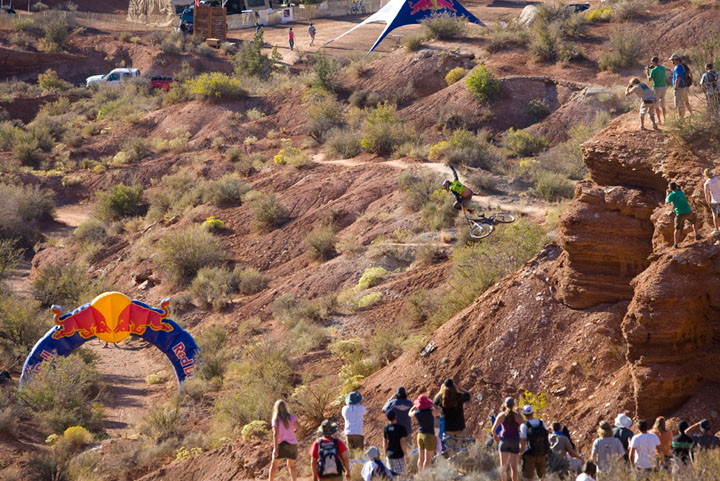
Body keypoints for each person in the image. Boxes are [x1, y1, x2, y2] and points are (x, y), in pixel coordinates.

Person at [433, 379, 471, 453]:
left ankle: (453, 460)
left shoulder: (441, 398)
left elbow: (434, 402)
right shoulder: (459, 396)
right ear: (453, 386)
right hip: (459, 427)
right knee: (460, 449)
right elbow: (468, 395)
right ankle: (461, 459)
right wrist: (458, 387)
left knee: (451, 450)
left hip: (447, 429)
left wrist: (440, 390)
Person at [492, 397, 524, 481]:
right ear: (513, 405)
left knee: (503, 467)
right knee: (514, 467)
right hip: (515, 440)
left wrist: (495, 438)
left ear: (505, 405)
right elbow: (524, 428)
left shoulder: (501, 415)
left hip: (504, 440)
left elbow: (493, 430)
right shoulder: (518, 416)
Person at [269, 400, 300, 481]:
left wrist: (275, 448)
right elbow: (299, 428)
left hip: (281, 444)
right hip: (292, 444)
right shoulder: (291, 417)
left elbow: (275, 434)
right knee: (291, 466)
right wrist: (292, 433)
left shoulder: (276, 419)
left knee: (274, 465)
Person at [666, 181, 702, 248]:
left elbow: (667, 202)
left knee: (677, 229)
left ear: (670, 188)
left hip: (679, 213)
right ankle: (697, 235)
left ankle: (675, 244)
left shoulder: (671, 195)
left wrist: (667, 194)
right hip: (688, 211)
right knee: (694, 222)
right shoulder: (681, 192)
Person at [519, 405, 550, 481]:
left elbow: (523, 440)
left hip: (529, 453)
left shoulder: (524, 425)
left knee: (529, 477)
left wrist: (520, 452)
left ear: (524, 414)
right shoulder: (541, 422)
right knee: (542, 476)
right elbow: (546, 435)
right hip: (542, 451)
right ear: (533, 412)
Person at [409, 394, 436, 472]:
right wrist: (432, 404)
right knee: (428, 460)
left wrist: (414, 406)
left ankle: (420, 475)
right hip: (429, 435)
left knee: (421, 458)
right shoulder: (432, 412)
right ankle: (425, 476)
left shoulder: (417, 413)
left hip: (420, 434)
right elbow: (440, 411)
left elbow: (409, 413)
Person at [382, 410, 407, 475]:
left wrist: (385, 454)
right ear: (396, 416)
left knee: (391, 474)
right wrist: (406, 455)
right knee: (401, 474)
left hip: (389, 455)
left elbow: (385, 443)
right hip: (399, 454)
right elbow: (402, 443)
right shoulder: (401, 428)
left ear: (387, 418)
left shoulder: (386, 428)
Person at [670, 53, 693, 118]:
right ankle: (687, 115)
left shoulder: (678, 68)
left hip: (680, 88)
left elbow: (678, 78)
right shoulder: (682, 66)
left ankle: (681, 118)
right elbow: (690, 73)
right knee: (684, 102)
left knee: (679, 104)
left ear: (675, 60)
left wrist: (676, 87)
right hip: (684, 86)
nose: (672, 61)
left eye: (672, 60)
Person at [647, 56, 667, 124]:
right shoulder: (663, 68)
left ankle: (659, 120)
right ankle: (665, 119)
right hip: (664, 87)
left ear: (653, 62)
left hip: (656, 88)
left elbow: (649, 79)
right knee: (663, 105)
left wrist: (648, 72)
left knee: (656, 106)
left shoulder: (654, 70)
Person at [703, 169, 720, 235]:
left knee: (715, 215)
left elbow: (706, 194)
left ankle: (716, 229)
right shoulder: (718, 179)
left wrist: (708, 202)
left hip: (714, 201)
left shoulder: (707, 183)